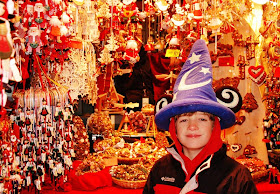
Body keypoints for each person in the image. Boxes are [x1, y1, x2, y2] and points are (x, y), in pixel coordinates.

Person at [143, 39, 258, 193]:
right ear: (174, 127)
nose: (192, 126)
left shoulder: (236, 177)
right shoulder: (160, 170)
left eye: (202, 119)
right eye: (184, 119)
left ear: (214, 125)